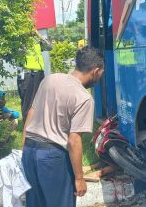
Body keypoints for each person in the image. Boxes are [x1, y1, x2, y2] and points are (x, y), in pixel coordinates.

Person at [22, 46, 104, 207]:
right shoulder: (84, 98)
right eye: (101, 72)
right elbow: (74, 141)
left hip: (30, 152)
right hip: (52, 159)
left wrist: (24, 146)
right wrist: (79, 178)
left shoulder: (50, 79)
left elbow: (31, 111)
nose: (101, 76)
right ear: (95, 71)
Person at [18, 32, 52, 122]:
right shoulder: (19, 39)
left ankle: (38, 124)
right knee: (28, 102)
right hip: (27, 74)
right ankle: (27, 127)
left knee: (40, 100)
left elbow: (49, 47)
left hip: (39, 73)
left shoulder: (36, 40)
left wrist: (38, 35)